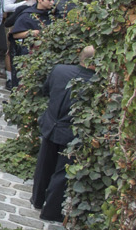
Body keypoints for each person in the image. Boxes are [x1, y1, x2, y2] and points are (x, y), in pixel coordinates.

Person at [32, 46, 96, 219]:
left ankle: (37, 199)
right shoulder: (96, 82)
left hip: (51, 124)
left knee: (44, 164)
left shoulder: (59, 70)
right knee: (62, 172)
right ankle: (51, 211)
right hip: (71, 132)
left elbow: (46, 90)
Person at [8, 0, 55, 87]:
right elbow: (15, 34)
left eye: (53, 0)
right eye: (49, 0)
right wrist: (33, 33)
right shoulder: (27, 15)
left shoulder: (53, 15)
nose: (52, 3)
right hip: (28, 52)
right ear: (39, 0)